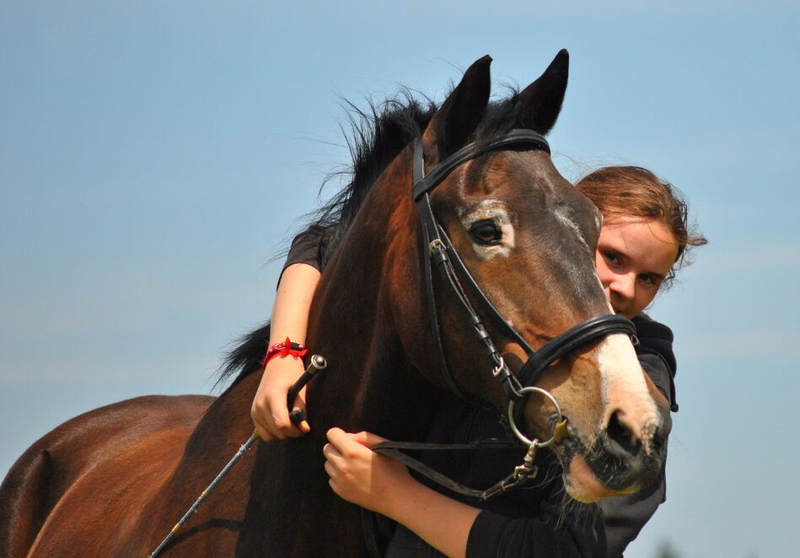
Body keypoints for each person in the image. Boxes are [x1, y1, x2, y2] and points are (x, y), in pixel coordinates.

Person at [251, 165, 706, 557]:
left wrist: (394, 495)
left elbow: (565, 552)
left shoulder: (639, 384)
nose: (626, 287)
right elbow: (324, 243)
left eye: (649, 278)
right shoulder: (495, 302)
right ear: (568, 232)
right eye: (613, 257)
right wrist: (284, 354)